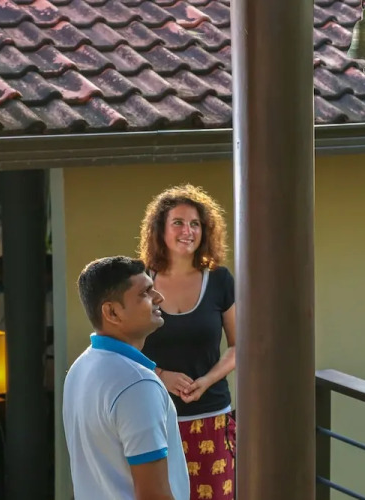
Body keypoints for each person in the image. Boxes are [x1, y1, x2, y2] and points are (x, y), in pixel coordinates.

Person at [138, 184, 236, 500]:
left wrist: (207, 380)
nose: (187, 231)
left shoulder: (220, 280)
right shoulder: (139, 280)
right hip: (152, 419)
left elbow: (239, 347)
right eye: (178, 222)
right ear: (160, 229)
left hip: (211, 417)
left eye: (195, 224)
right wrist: (161, 375)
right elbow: (123, 349)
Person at [63, 256, 189, 500]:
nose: (159, 297)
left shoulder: (80, 368)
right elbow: (153, 495)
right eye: (145, 293)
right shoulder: (138, 384)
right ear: (112, 312)